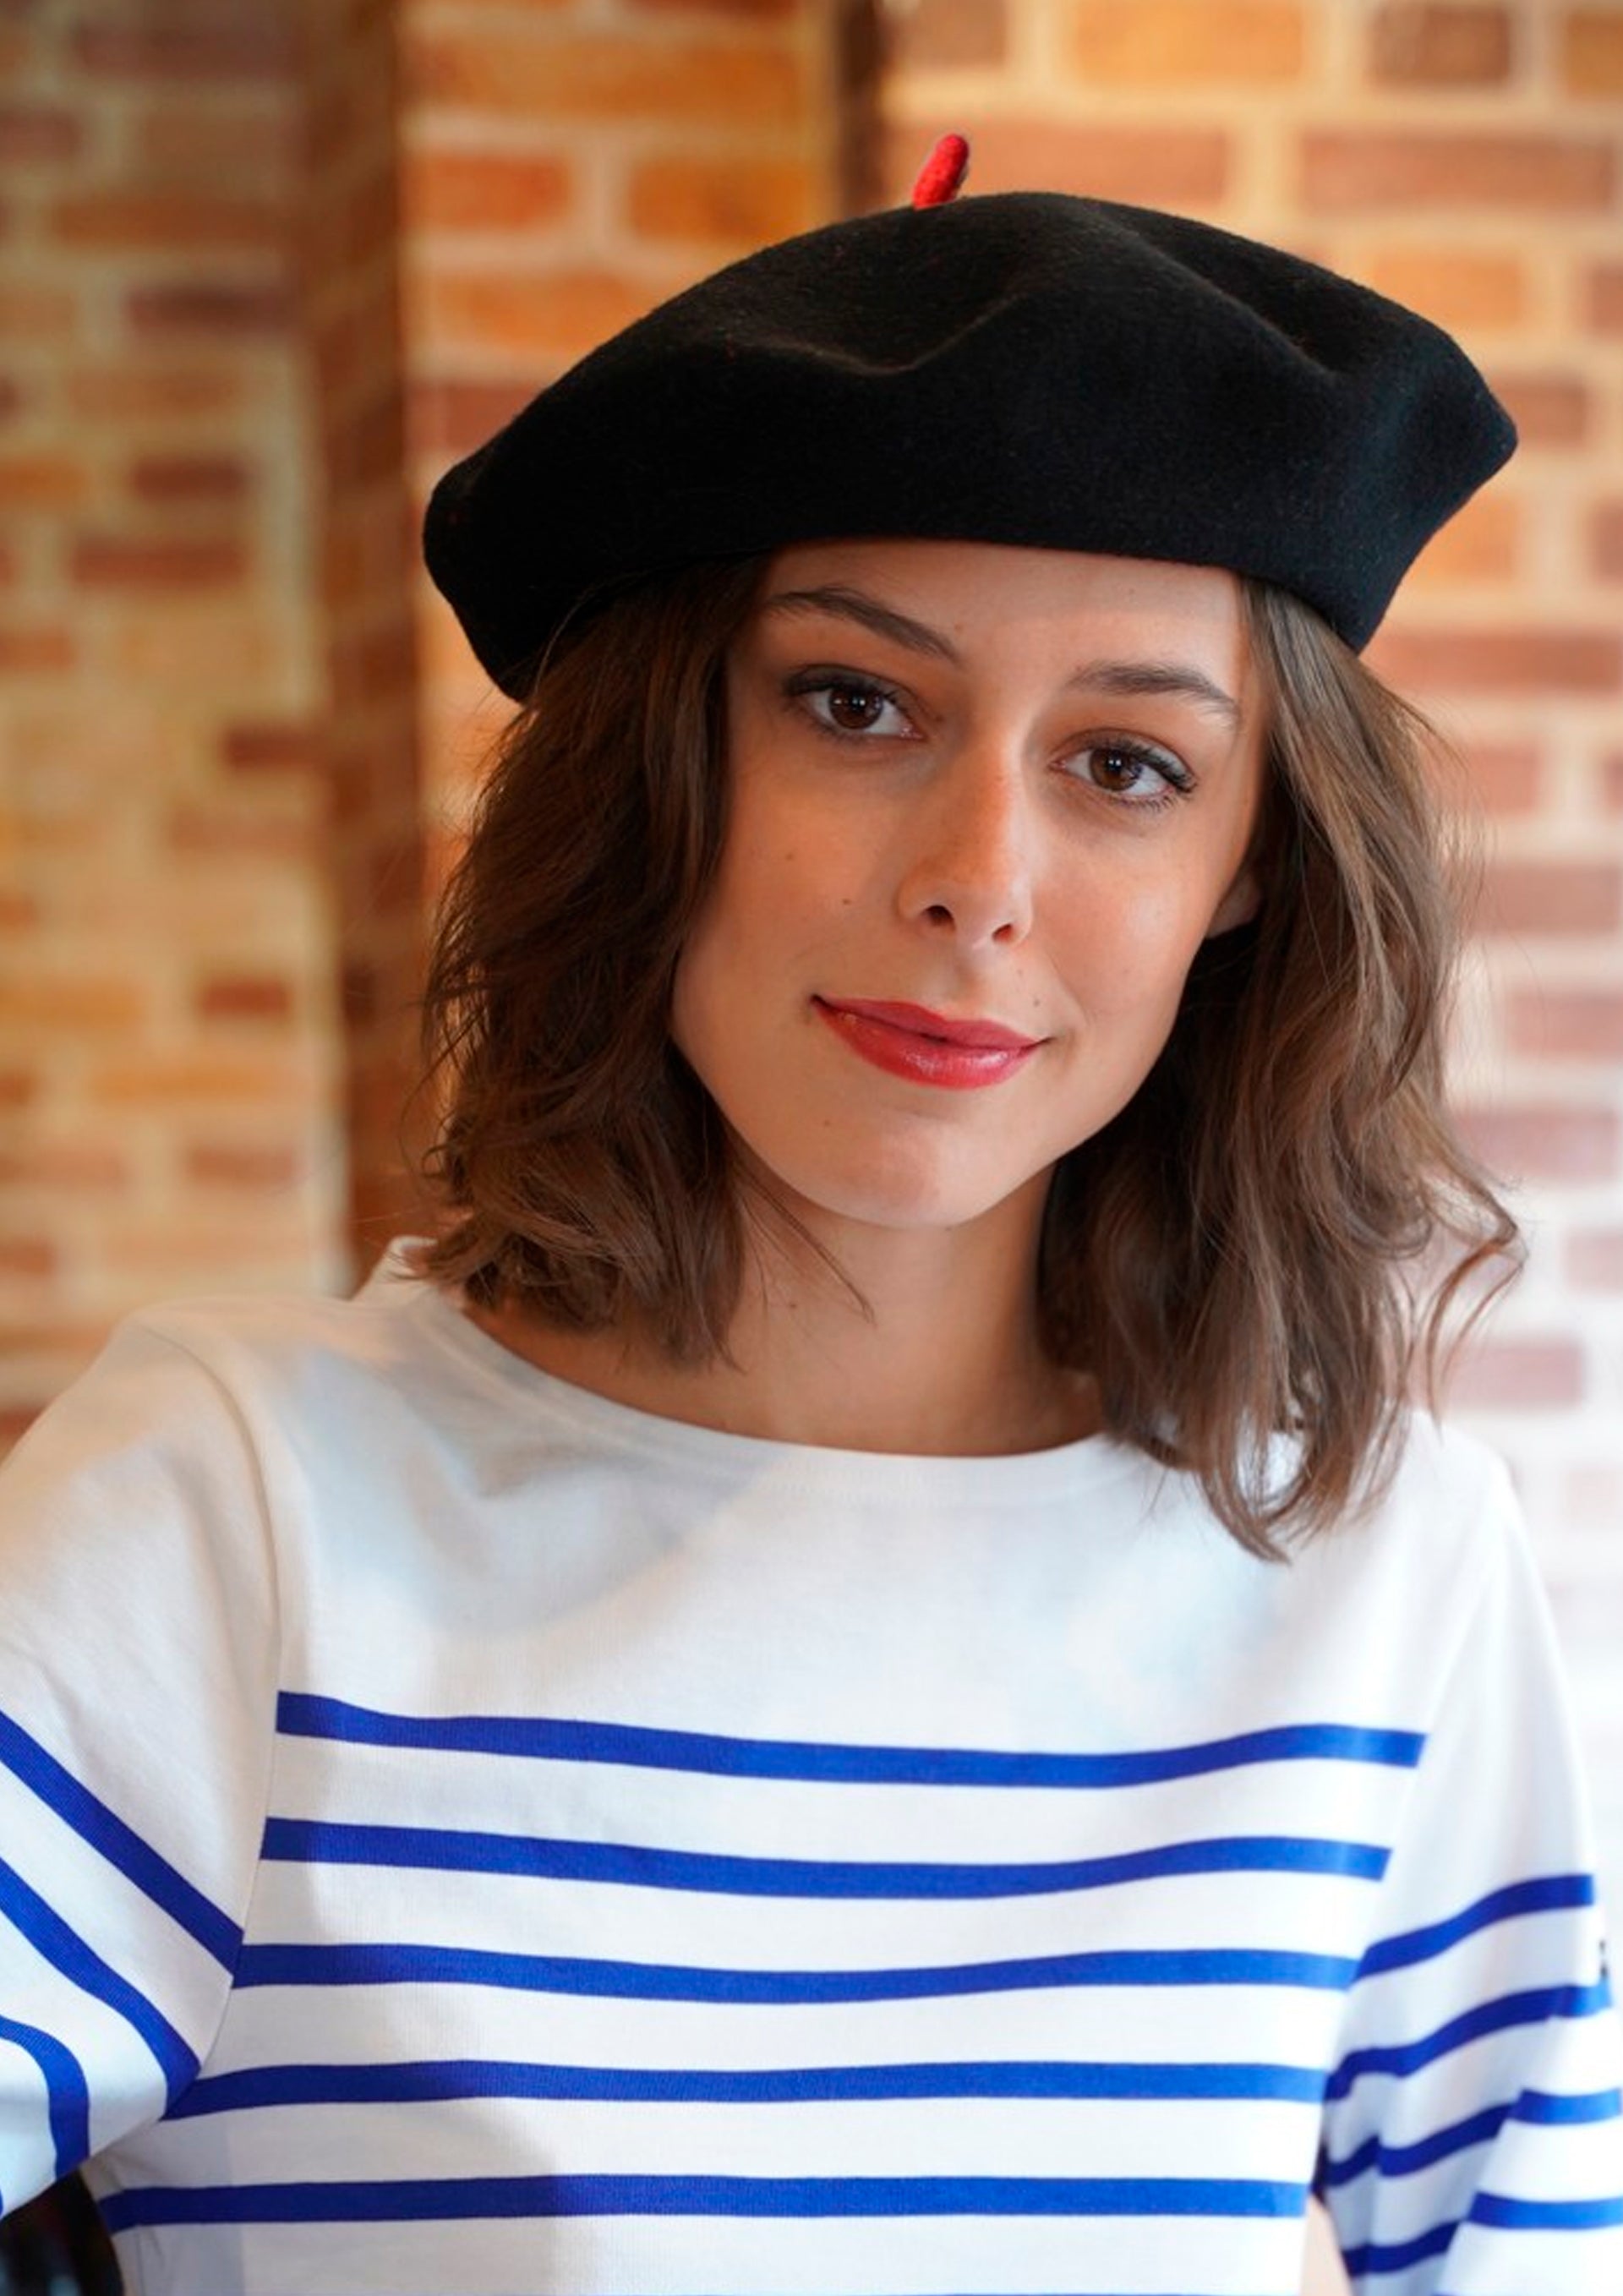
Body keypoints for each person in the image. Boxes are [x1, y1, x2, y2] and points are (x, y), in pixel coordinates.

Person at [1, 140, 1620, 2296]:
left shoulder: (1386, 1563)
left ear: (1251, 869)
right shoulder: (235, 1509)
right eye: (857, 704)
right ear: (658, 766)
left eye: (1128, 762)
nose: (978, 878)